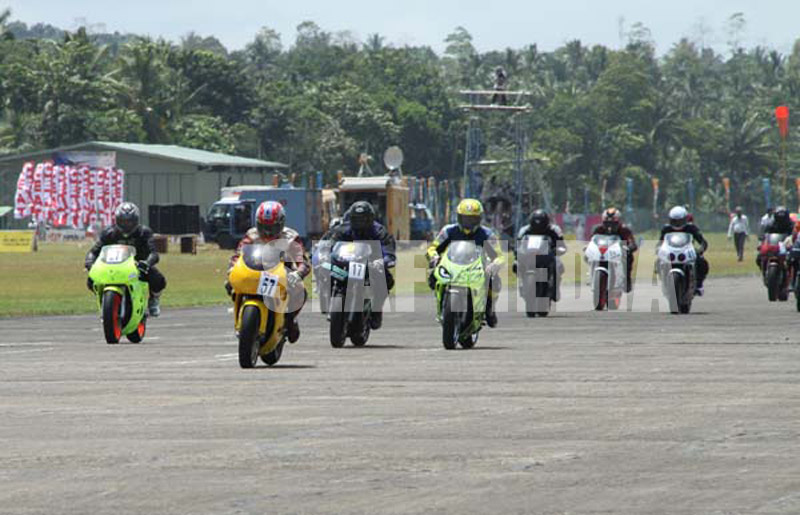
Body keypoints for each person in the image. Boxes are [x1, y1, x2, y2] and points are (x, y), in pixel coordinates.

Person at [228, 201, 309, 343]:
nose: (267, 232)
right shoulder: (251, 235)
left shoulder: (290, 237)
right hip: (255, 272)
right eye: (263, 227)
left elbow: (303, 262)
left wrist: (298, 273)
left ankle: (290, 320)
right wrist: (232, 268)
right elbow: (237, 255)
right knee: (230, 284)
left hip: (282, 274)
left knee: (301, 291)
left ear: (281, 224)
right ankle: (240, 320)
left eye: (272, 228)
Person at [427, 199, 505, 327]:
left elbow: (499, 256)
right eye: (465, 219)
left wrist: (494, 264)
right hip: (454, 264)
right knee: (433, 275)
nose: (468, 223)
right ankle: (442, 302)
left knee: (494, 279)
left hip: (478, 267)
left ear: (479, 219)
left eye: (472, 219)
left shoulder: (487, 234)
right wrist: (434, 257)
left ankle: (489, 308)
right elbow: (432, 248)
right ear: (458, 217)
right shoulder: (448, 231)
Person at [85, 202, 166, 317]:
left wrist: (147, 263)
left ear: (136, 221)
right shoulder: (109, 233)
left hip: (138, 266)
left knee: (158, 280)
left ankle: (153, 299)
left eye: (130, 221)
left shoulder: (144, 232)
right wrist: (89, 262)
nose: (126, 224)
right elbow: (94, 251)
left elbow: (153, 253)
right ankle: (105, 301)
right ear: (117, 220)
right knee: (91, 280)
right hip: (112, 266)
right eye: (123, 221)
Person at [327, 201, 396, 329]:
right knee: (329, 273)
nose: (360, 223)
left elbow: (389, 250)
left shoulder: (379, 231)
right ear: (351, 218)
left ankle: (376, 309)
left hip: (370, 266)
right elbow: (327, 243)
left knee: (387, 280)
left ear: (370, 219)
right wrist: (320, 255)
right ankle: (333, 302)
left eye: (363, 219)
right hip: (346, 264)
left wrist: (385, 260)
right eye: (357, 219)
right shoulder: (342, 229)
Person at [514, 209, 567, 301]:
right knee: (516, 264)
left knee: (558, 264)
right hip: (529, 256)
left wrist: (558, 249)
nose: (538, 227)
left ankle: (555, 287)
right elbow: (518, 244)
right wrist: (517, 251)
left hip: (548, 256)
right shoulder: (524, 230)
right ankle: (522, 282)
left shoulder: (554, 229)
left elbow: (561, 244)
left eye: (541, 224)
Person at [659, 206, 709, 296]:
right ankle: (662, 282)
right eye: (674, 221)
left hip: (686, 251)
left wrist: (700, 249)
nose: (677, 224)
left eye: (679, 221)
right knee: (659, 262)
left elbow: (702, 242)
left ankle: (699, 284)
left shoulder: (691, 228)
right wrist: (658, 249)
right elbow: (660, 242)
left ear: (685, 219)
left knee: (701, 261)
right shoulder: (666, 229)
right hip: (671, 252)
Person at [591, 207, 638, 293]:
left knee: (628, 257)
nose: (610, 226)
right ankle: (592, 277)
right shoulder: (598, 229)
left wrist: (630, 247)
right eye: (607, 223)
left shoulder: (624, 230)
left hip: (617, 254)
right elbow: (592, 240)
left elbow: (632, 242)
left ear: (618, 222)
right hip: (602, 253)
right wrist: (589, 247)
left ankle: (626, 279)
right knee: (589, 257)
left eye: (613, 223)